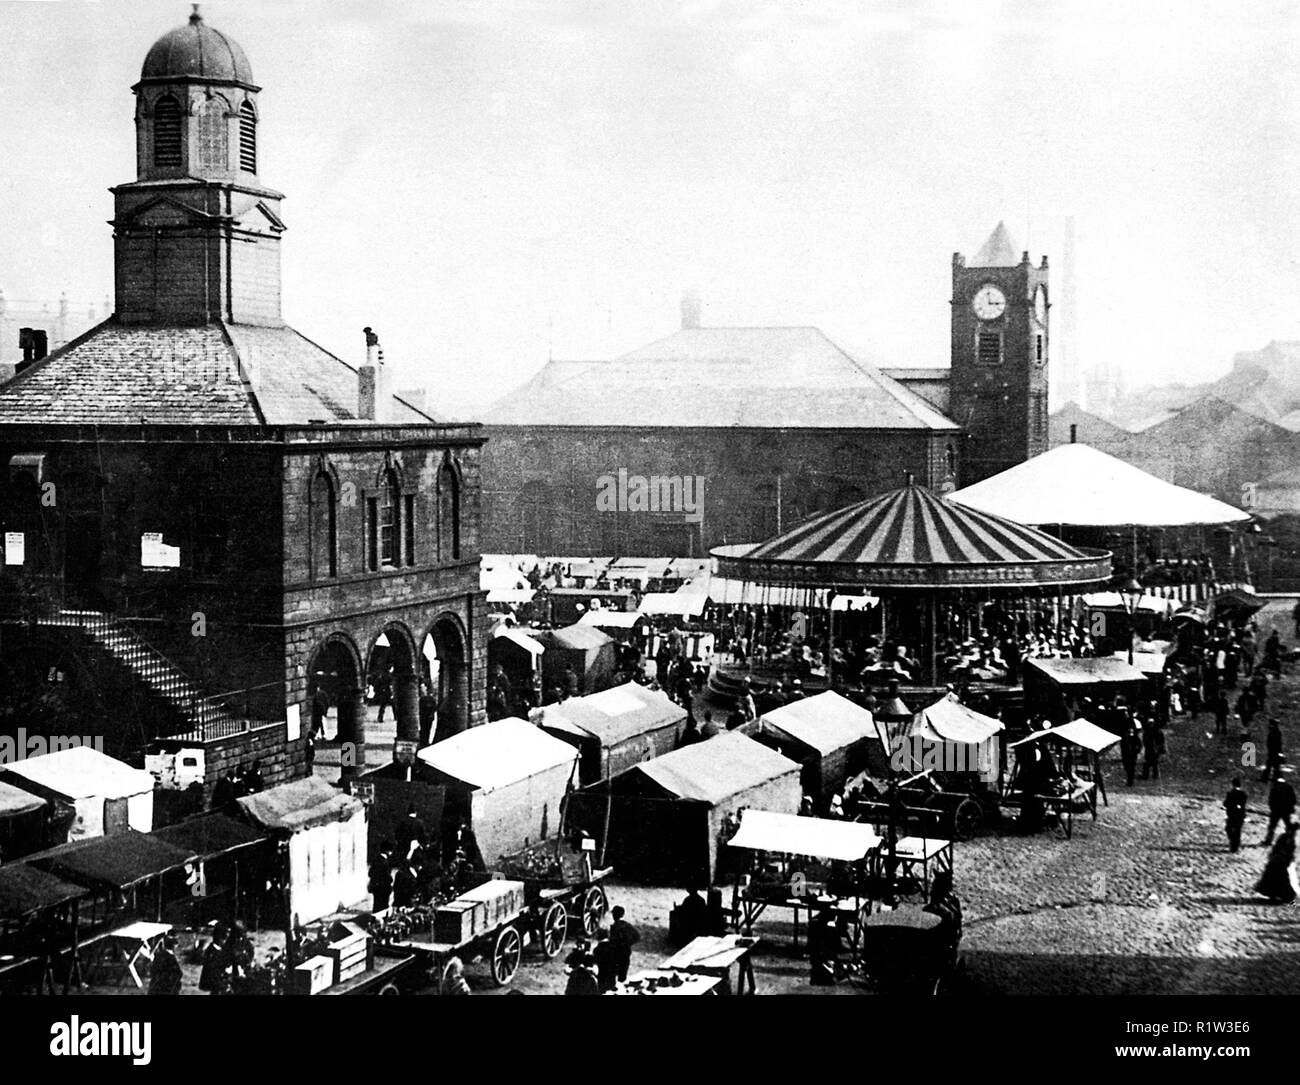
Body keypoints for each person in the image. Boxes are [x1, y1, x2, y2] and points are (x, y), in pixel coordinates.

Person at [1256, 821, 1299, 903]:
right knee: (1279, 878)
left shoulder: (1289, 838)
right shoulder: (1286, 838)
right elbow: (1278, 849)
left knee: (1282, 879)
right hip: (1279, 861)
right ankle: (1280, 895)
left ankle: (1284, 896)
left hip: (1282, 861)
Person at [608, 905, 640, 983]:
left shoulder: (614, 927)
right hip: (625, 952)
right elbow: (637, 936)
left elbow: (613, 942)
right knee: (622, 974)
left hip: (616, 953)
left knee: (613, 974)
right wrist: (628, 943)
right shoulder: (627, 925)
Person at [1263, 773, 1297, 846]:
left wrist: (1272, 808)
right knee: (1288, 825)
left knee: (1272, 826)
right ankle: (1289, 838)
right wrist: (1290, 807)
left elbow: (1271, 800)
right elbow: (1293, 800)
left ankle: (1268, 840)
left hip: (1276, 810)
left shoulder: (1275, 788)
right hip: (1286, 810)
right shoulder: (1289, 787)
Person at [198, 925, 232, 996]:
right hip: (216, 985)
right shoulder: (211, 952)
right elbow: (212, 972)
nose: (226, 942)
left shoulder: (221, 950)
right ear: (219, 938)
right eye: (224, 939)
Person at [1223, 778, 1248, 853]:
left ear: (1233, 785)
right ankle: (1235, 846)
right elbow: (1243, 804)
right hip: (1240, 815)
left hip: (1231, 815)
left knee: (1229, 829)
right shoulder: (1243, 794)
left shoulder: (1230, 793)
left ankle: (1233, 844)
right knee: (1237, 831)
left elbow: (1225, 804)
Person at [591, 928, 619, 993]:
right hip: (612, 979)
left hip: (602, 980)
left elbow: (594, 964)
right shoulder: (614, 947)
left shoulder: (596, 950)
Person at [369, 845, 393, 910]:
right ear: (387, 851)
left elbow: (370, 873)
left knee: (376, 905)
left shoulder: (376, 860)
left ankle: (375, 919)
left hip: (376, 887)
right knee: (383, 906)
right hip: (384, 887)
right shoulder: (385, 862)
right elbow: (387, 876)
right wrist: (391, 880)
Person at [1264, 719, 1284, 784]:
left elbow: (1276, 743)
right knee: (1275, 765)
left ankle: (1267, 777)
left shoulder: (1274, 732)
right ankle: (1276, 777)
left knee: (1271, 764)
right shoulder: (1277, 732)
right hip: (1274, 751)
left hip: (1273, 751)